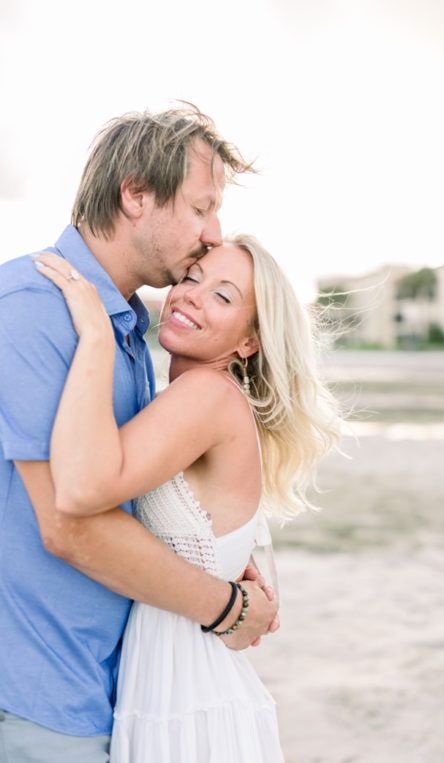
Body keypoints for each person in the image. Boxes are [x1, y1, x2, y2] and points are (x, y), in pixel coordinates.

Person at [0, 106, 278, 761]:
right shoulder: (32, 309)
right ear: (135, 194)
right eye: (201, 208)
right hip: (38, 701)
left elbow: (133, 491)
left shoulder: (128, 330)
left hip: (107, 692)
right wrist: (224, 605)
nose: (212, 235)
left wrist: (229, 551)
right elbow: (71, 522)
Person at [34, 235, 341, 761]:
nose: (191, 296)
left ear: (249, 342)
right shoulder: (192, 397)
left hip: (186, 700)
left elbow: (84, 486)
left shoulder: (208, 395)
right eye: (193, 279)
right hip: (176, 686)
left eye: (223, 297)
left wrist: (95, 340)